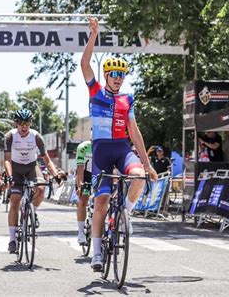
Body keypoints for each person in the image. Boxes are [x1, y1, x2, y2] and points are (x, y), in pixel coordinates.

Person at [81, 17, 158, 271]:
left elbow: (134, 132)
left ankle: (125, 213)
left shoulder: (128, 99)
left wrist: (146, 165)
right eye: (114, 74)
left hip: (122, 148)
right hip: (101, 151)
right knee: (101, 201)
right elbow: (84, 64)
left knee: (137, 177)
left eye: (121, 75)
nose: (118, 78)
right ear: (106, 75)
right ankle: (97, 253)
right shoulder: (96, 92)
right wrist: (94, 34)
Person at [4, 108, 65, 254]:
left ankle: (33, 211)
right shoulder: (9, 136)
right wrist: (10, 176)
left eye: (27, 123)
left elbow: (46, 160)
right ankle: (12, 240)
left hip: (31, 167)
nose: (24, 126)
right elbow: (6, 160)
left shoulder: (36, 136)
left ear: (30, 123)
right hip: (16, 168)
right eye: (21, 123)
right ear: (16, 123)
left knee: (42, 188)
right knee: (15, 200)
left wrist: (55, 175)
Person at [75, 140, 92, 245]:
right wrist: (80, 185)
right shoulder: (83, 147)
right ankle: (81, 232)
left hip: (98, 174)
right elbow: (80, 168)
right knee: (83, 200)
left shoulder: (105, 145)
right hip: (85, 175)